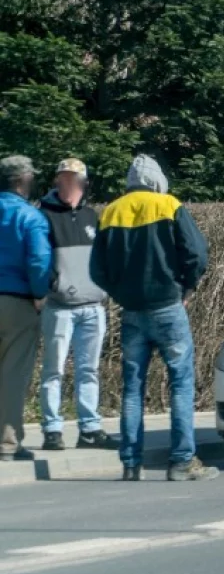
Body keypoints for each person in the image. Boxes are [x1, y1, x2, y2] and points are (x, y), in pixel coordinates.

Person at [90, 155, 217, 482]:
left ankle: (131, 463)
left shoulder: (111, 212)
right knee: (181, 383)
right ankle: (182, 462)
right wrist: (186, 287)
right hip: (168, 307)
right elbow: (197, 253)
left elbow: (97, 269)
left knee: (132, 387)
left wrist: (120, 294)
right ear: (158, 180)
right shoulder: (168, 204)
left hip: (133, 312)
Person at [38, 158, 116, 451]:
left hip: (93, 306)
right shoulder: (43, 215)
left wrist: (103, 288)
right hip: (59, 306)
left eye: (74, 179)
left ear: (84, 184)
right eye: (63, 178)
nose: (68, 184)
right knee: (53, 369)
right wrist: (51, 286)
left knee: (89, 369)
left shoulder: (92, 217)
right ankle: (52, 429)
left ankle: (90, 428)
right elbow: (38, 259)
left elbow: (104, 259)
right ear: (57, 181)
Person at [0, 156, 51, 462]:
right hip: (17, 300)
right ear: (22, 181)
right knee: (12, 374)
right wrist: (39, 293)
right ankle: (7, 443)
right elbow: (39, 260)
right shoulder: (29, 216)